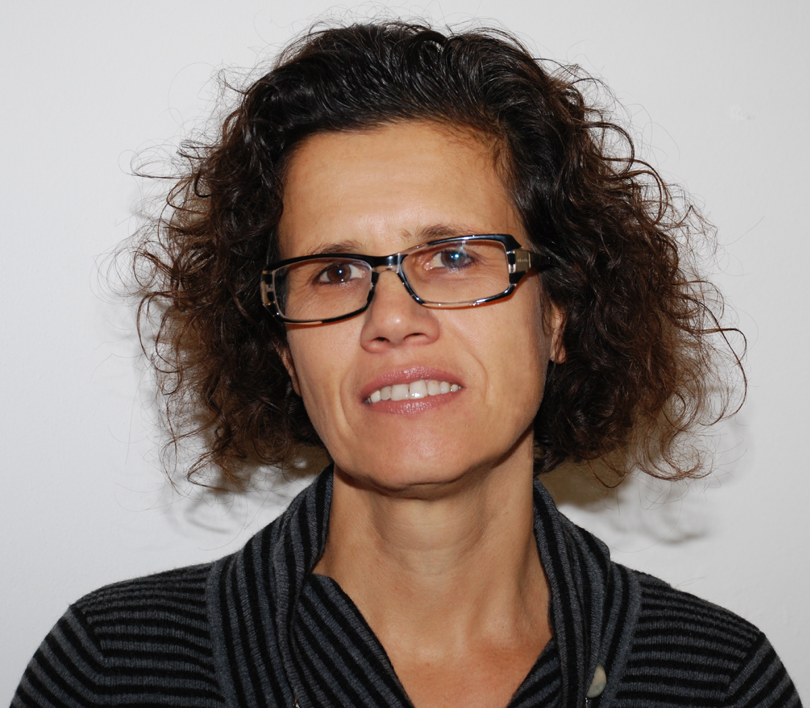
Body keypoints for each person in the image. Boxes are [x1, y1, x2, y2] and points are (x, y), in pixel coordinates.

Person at [12, 20, 800, 708]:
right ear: (285, 353)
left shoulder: (716, 680)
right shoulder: (113, 669)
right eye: (333, 272)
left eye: (454, 257)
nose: (391, 319)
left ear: (558, 314)